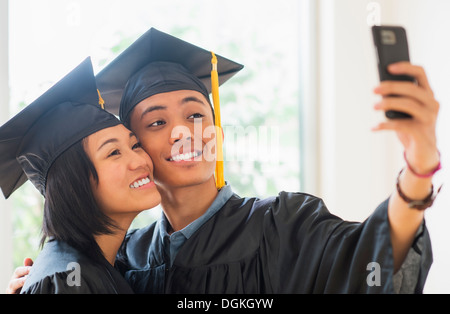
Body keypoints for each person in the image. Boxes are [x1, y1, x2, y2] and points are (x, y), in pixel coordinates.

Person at [9, 27, 440, 293]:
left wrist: (419, 162)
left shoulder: (283, 224)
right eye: (156, 124)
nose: (184, 132)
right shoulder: (126, 261)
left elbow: (373, 259)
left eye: (196, 114)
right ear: (137, 148)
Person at [1, 58, 161, 294]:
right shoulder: (70, 280)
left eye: (135, 145)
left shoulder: (96, 268)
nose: (140, 160)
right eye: (114, 152)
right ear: (72, 183)